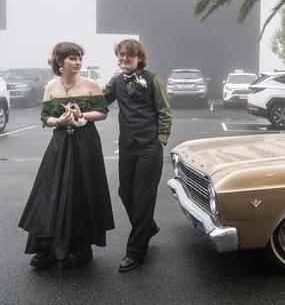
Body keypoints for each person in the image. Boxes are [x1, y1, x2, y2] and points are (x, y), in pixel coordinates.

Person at [18, 42, 115, 269]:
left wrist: (82, 114)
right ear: (60, 63)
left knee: (82, 191)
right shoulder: (51, 87)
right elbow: (45, 118)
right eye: (72, 58)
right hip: (60, 144)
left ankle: (80, 248)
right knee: (49, 191)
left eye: (80, 58)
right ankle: (45, 248)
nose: (78, 62)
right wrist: (58, 121)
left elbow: (102, 113)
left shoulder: (91, 85)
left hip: (86, 144)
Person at [103, 39, 172, 272]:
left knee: (143, 198)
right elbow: (101, 101)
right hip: (127, 146)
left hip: (149, 148)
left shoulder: (153, 80)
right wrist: (76, 103)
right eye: (121, 55)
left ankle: (135, 252)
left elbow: (165, 112)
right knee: (125, 192)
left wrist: (161, 138)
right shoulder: (117, 81)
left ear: (139, 58)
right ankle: (148, 227)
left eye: (129, 56)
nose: (124, 59)